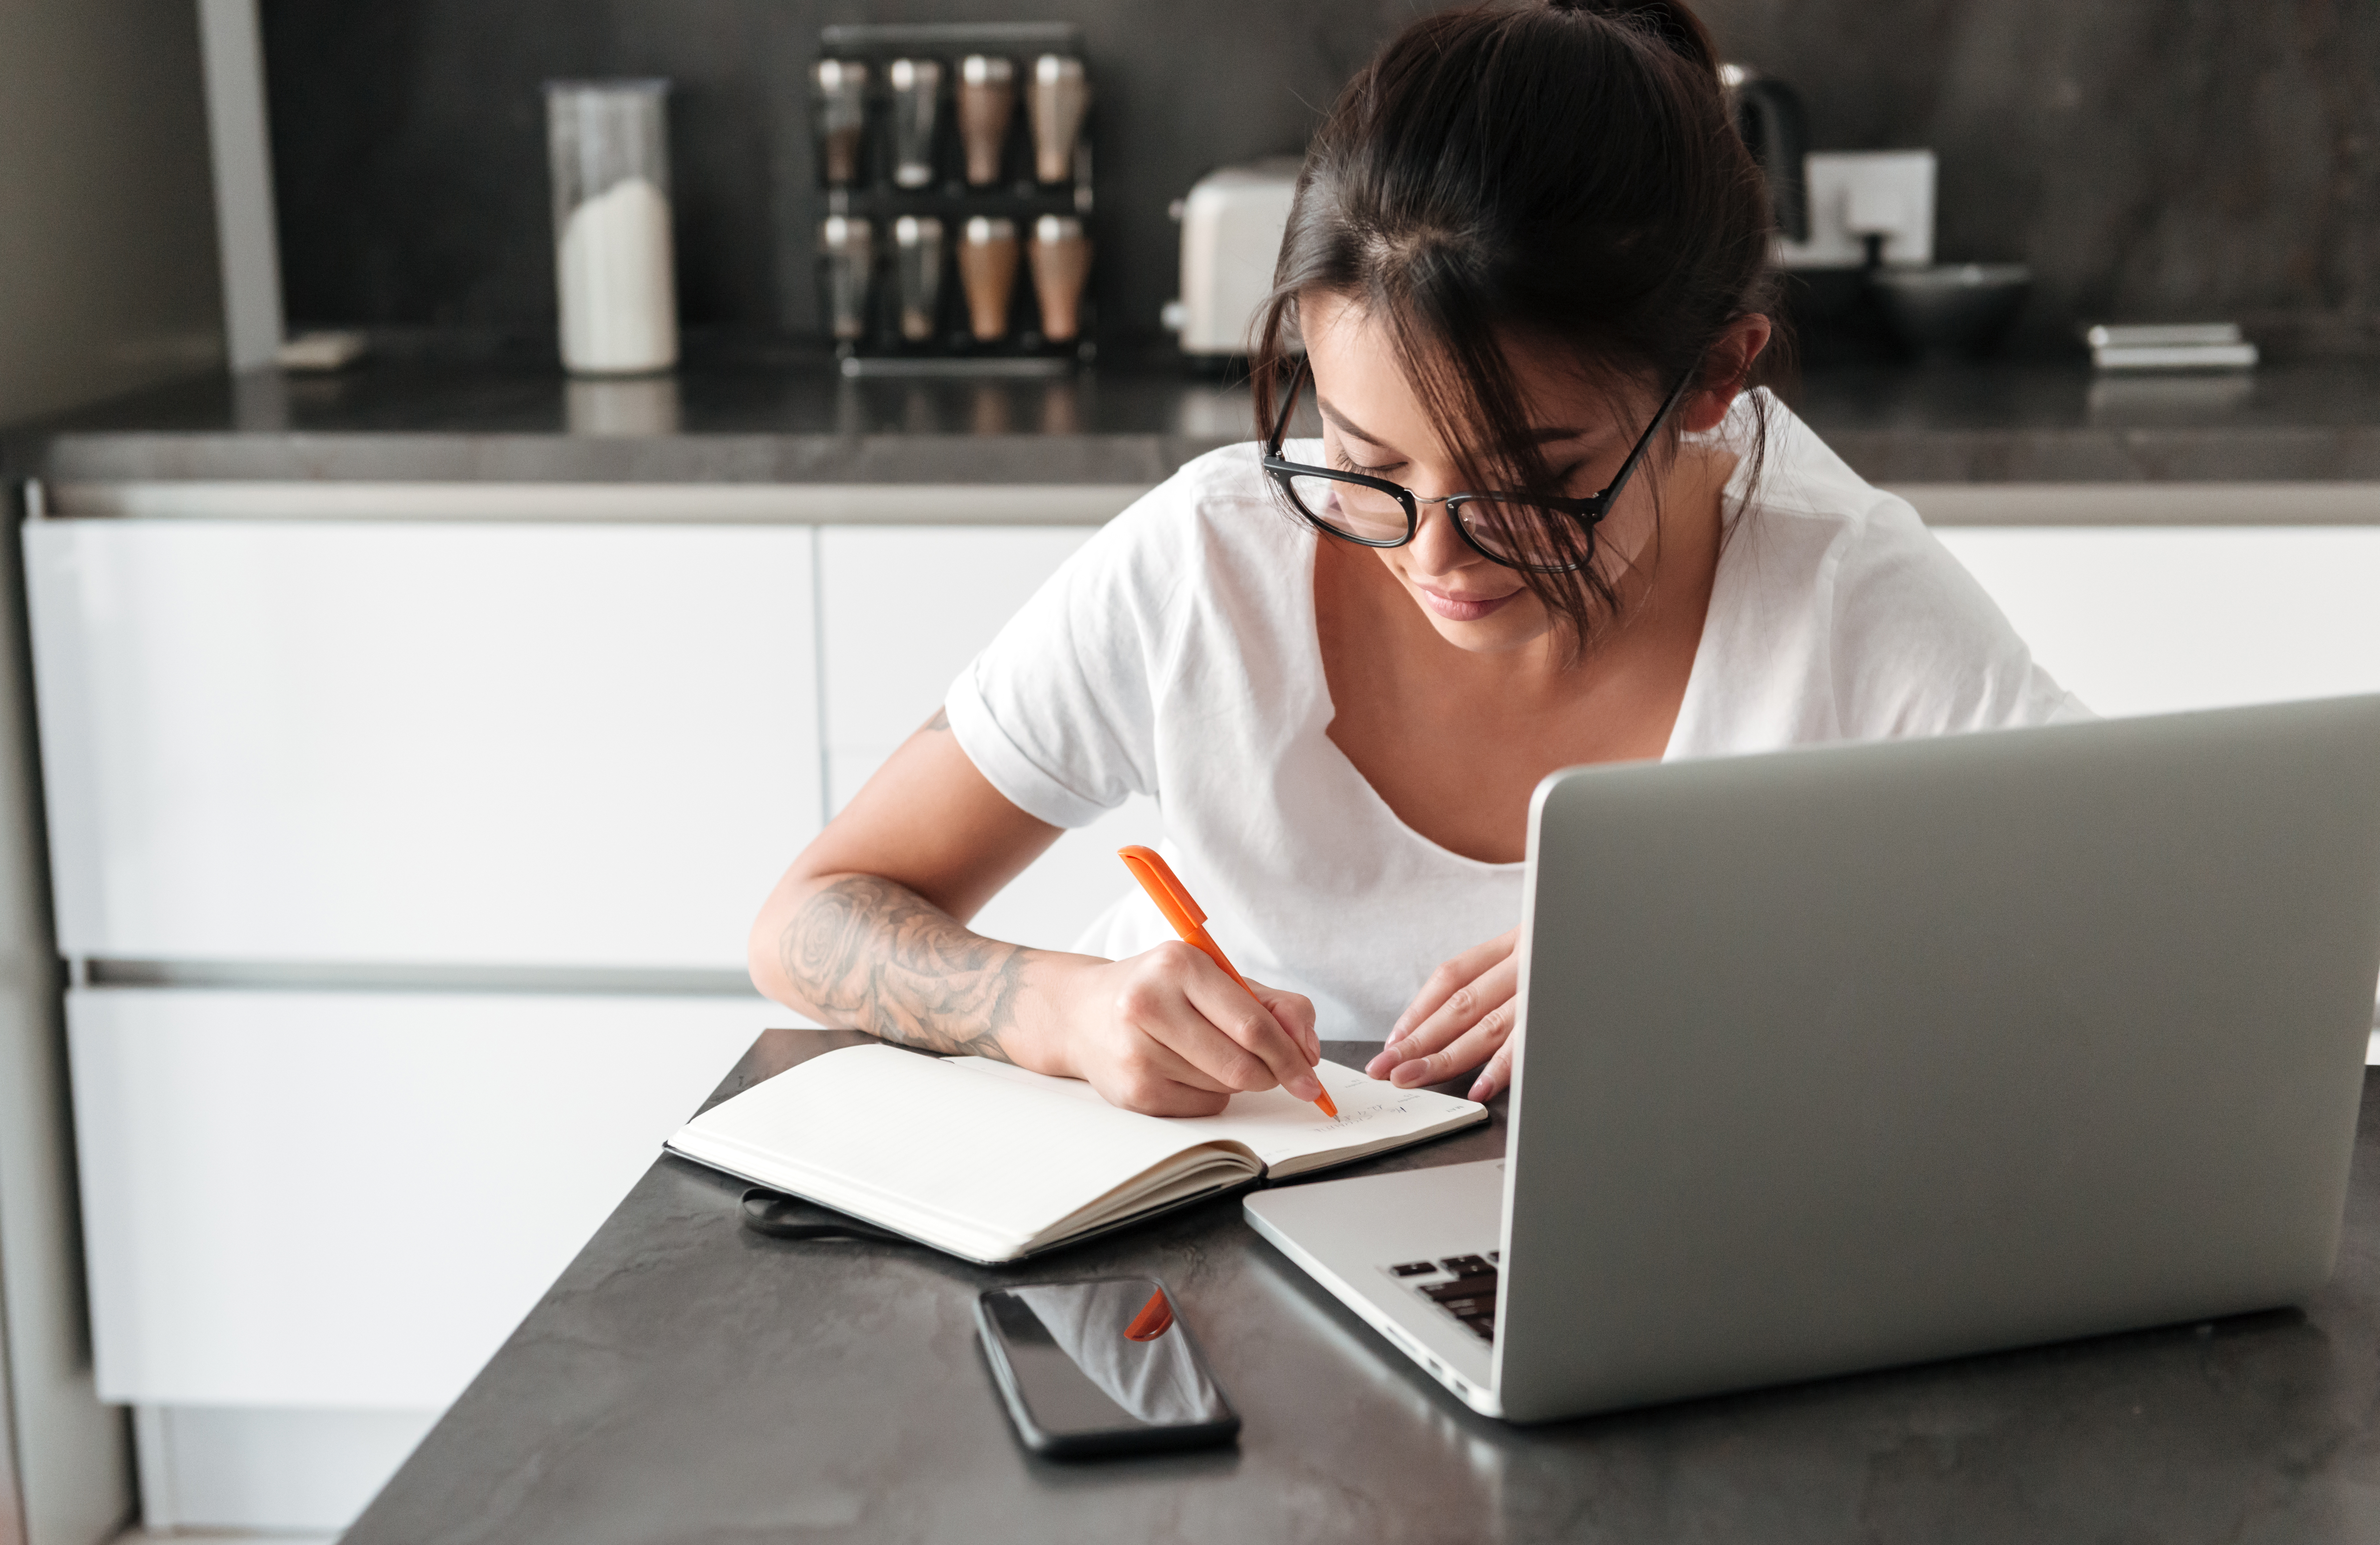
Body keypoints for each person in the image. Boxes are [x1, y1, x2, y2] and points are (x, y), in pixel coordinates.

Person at [748, 0, 2082, 1115]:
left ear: (1711, 381)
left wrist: (1728, 959)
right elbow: (808, 921)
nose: (1436, 551)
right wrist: (1067, 1008)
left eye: (1534, 481)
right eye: (1366, 459)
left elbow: (2130, 956)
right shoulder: (1212, 561)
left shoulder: (1844, 598)